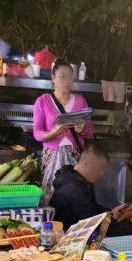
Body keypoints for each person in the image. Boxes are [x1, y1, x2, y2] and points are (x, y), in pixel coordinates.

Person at [33, 58, 94, 199]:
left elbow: (90, 132)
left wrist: (83, 130)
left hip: (75, 158)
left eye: (70, 77)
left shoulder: (80, 101)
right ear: (53, 78)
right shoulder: (42, 101)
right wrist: (52, 134)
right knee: (51, 195)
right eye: (62, 76)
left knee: (76, 194)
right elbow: (36, 132)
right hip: (51, 156)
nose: (67, 81)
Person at [50, 142, 132, 236]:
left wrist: (111, 211)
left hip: (83, 225)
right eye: (100, 168)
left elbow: (92, 208)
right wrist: (122, 219)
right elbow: (92, 224)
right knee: (127, 227)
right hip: (71, 235)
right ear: (86, 164)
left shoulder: (76, 179)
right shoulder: (73, 189)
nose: (102, 174)